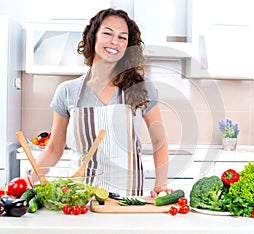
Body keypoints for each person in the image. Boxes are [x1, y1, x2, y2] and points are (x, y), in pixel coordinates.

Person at [33, 8, 172, 197]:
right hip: (80, 196)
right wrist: (29, 179)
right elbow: (54, 148)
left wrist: (161, 185)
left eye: (122, 37)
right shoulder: (67, 91)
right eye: (107, 33)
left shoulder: (142, 87)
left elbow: (159, 141)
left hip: (127, 197)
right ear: (93, 36)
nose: (115, 42)